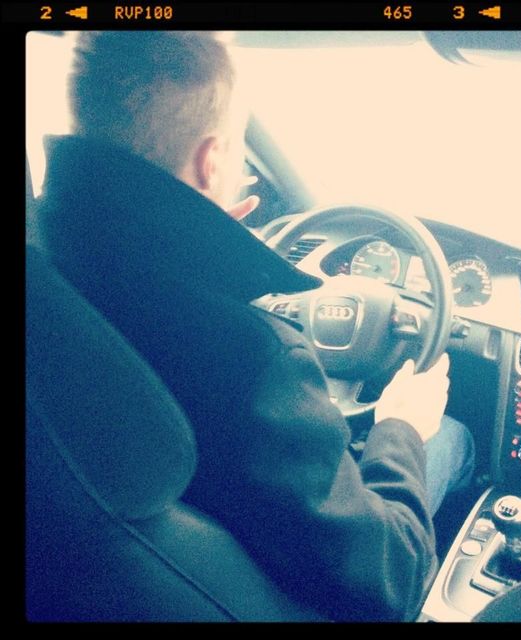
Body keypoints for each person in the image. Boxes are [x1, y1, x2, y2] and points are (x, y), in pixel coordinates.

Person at [32, 31, 475, 621]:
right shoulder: (253, 360)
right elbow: (389, 579)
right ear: (211, 161)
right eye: (240, 154)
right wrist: (400, 427)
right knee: (450, 436)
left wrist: (206, 235)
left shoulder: (47, 266)